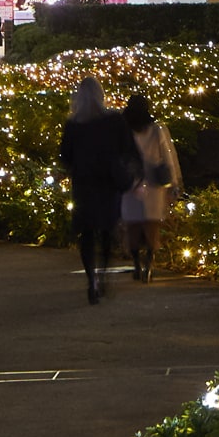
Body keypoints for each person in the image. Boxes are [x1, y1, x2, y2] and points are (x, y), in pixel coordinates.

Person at [58, 78, 143, 303]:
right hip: (108, 184)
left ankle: (91, 280)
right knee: (106, 231)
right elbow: (128, 148)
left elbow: (65, 156)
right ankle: (103, 275)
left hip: (84, 185)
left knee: (86, 235)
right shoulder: (113, 121)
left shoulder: (73, 125)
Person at [119, 92, 178, 283]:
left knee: (133, 227)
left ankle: (136, 263)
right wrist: (174, 182)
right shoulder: (157, 129)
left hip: (131, 184)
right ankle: (149, 264)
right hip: (154, 185)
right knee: (152, 226)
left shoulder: (124, 130)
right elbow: (168, 157)